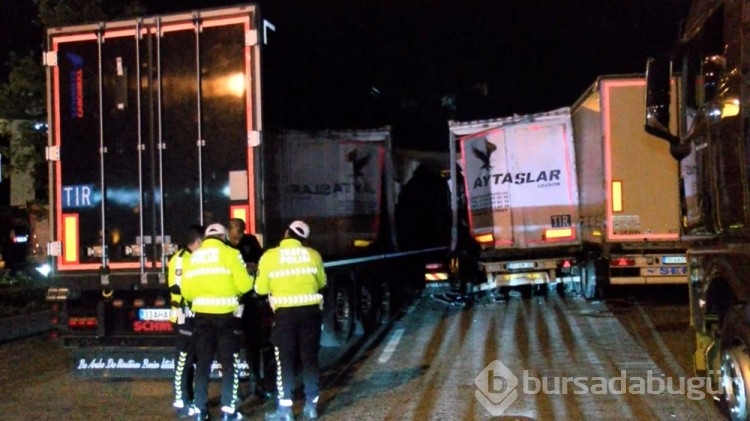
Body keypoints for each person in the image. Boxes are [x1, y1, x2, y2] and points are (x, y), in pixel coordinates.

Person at [255, 220, 327, 421]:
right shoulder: (313, 255)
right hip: (311, 314)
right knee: (310, 359)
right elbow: (322, 282)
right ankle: (311, 407)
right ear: (304, 239)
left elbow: (259, 289)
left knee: (284, 362)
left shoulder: (270, 256)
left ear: (286, 233)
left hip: (285, 317)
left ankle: (285, 411)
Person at [182, 223, 254, 421]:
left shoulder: (194, 257)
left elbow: (186, 292)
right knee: (228, 365)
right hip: (226, 320)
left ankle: (200, 411)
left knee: (203, 365)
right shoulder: (231, 254)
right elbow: (245, 285)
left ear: (206, 238)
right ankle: (228, 412)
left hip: (202, 319)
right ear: (223, 237)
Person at [227, 218, 273, 400]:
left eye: (241, 234)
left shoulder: (251, 241)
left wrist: (251, 267)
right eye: (236, 235)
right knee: (231, 347)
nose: (239, 239)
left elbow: (260, 263)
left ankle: (257, 383)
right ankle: (234, 389)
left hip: (250, 302)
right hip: (232, 304)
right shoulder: (224, 247)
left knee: (254, 344)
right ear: (229, 232)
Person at [168, 224, 204, 418]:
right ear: (197, 242)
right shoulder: (181, 260)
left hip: (192, 315)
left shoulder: (192, 257)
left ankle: (188, 398)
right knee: (183, 360)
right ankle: (181, 402)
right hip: (183, 316)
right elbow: (178, 290)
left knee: (191, 360)